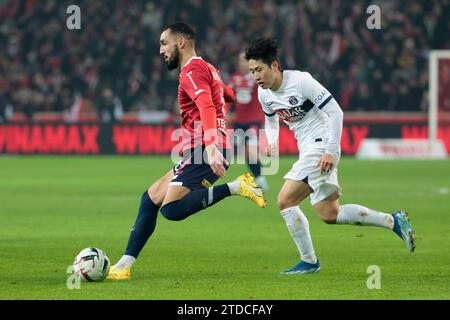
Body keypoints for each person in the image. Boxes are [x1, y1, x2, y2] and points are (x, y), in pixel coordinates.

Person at [106, 23, 266, 280]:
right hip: (204, 148)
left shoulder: (190, 71)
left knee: (172, 210)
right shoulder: (209, 69)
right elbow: (229, 96)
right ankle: (124, 266)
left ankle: (237, 187)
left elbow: (206, 103)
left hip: (206, 149)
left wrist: (212, 145)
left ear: (181, 42)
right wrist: (220, 101)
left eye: (163, 43)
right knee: (150, 199)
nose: (161, 50)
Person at [244, 38, 416, 275]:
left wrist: (330, 150)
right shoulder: (265, 94)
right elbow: (270, 120)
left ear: (274, 65)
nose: (255, 76)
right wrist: (271, 142)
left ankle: (309, 262)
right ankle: (393, 221)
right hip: (309, 149)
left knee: (285, 201)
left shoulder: (301, 81)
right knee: (329, 213)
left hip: (321, 146)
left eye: (259, 70)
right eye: (252, 71)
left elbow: (335, 111)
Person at [228, 53, 269, 192]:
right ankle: (259, 177)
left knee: (250, 150)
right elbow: (227, 97)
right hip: (239, 121)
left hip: (254, 120)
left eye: (245, 61)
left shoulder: (257, 78)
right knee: (245, 152)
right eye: (240, 61)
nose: (242, 64)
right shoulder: (234, 78)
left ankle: (260, 178)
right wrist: (226, 112)